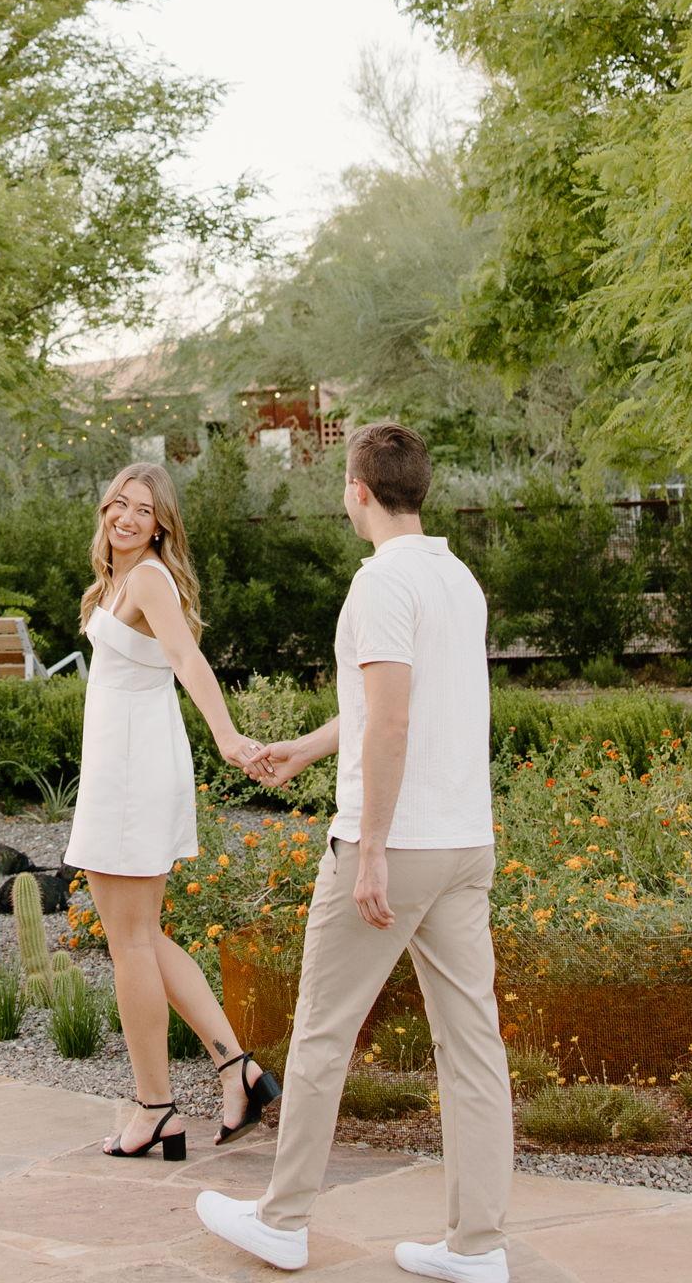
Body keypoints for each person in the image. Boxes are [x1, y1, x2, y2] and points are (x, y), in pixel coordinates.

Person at [195, 421, 513, 1281]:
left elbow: (394, 721)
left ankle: (283, 1220)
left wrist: (371, 851)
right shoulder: (457, 579)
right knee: (473, 1049)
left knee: (322, 1035)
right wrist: (305, 748)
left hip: (396, 847)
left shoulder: (380, 583)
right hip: (464, 845)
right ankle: (478, 1246)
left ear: (357, 492)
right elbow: (389, 705)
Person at [64, 461, 281, 1161]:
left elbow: (188, 659)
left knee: (129, 943)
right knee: (141, 936)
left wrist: (228, 737)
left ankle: (155, 1107)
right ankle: (235, 1068)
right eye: (118, 504)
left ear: (161, 526)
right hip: (123, 764)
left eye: (143, 510)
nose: (126, 518)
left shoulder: (150, 579)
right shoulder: (119, 579)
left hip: (132, 771)